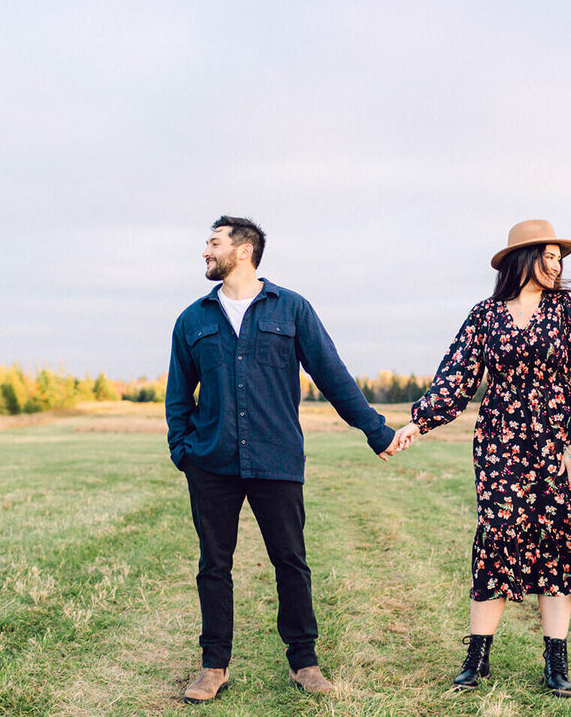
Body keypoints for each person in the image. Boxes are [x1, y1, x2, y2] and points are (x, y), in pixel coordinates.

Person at [165, 215, 399, 703]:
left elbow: (332, 376)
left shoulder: (291, 309)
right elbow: (177, 395)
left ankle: (304, 663)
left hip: (276, 458)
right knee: (214, 564)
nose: (204, 252)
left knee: (290, 561)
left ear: (244, 250)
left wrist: (377, 432)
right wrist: (183, 449)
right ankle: (213, 666)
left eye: (212, 243)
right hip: (211, 462)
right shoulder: (192, 320)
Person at [389, 219, 571, 697]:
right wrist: (417, 422)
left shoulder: (569, 309)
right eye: (548, 256)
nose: (556, 266)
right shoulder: (485, 315)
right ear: (523, 259)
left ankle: (556, 663)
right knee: (497, 537)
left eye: (559, 258)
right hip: (500, 442)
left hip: (559, 442)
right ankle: (477, 657)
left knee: (558, 542)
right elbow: (456, 378)